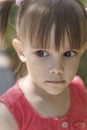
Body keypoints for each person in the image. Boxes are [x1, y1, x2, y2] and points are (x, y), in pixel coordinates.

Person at [0, 0, 87, 130]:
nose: (57, 69)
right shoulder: (8, 116)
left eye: (68, 53)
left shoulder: (79, 91)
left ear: (82, 51)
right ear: (21, 51)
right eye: (42, 53)